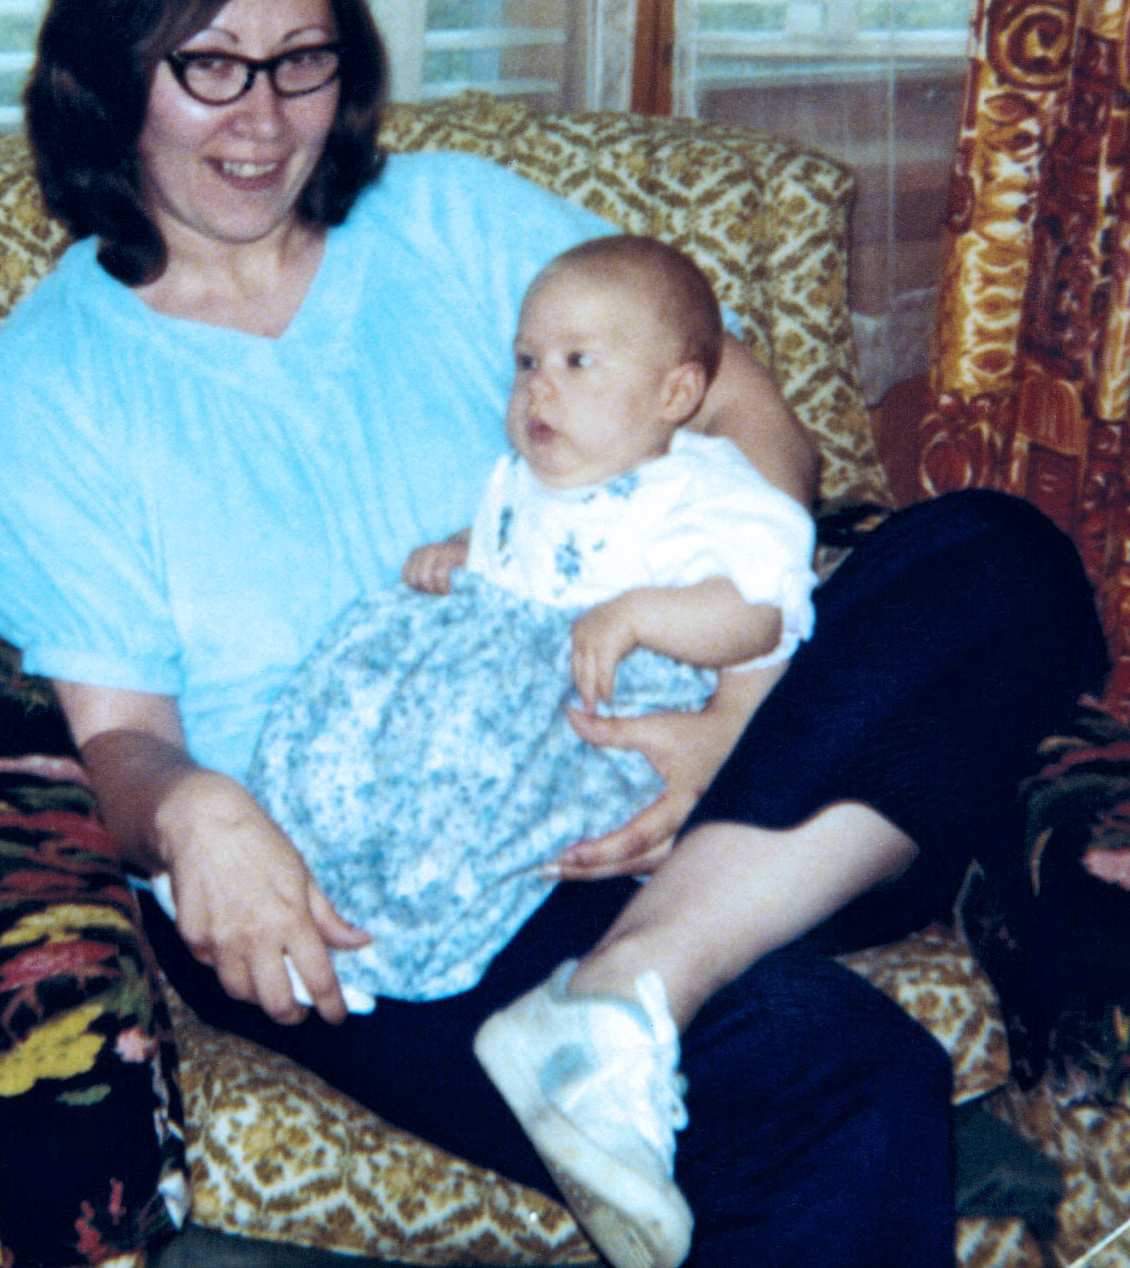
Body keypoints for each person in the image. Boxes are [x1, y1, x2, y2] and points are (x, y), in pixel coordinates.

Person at [0, 0, 1107, 1268]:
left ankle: (630, 982)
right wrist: (198, 819)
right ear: (110, 74)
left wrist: (725, 724)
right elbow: (121, 736)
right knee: (843, 1076)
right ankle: (629, 994)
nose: (262, 120)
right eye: (210, 66)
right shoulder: (53, 380)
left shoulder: (446, 221)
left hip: (653, 768)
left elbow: (751, 424)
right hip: (381, 883)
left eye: (302, 60)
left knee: (998, 557)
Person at [245, 234, 818, 1015]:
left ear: (675, 395)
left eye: (576, 363)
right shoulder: (517, 478)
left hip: (585, 708)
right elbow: (520, 548)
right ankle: (316, 886)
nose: (538, 389)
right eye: (526, 363)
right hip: (478, 679)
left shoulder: (698, 493)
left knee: (474, 807)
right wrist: (460, 552)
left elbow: (762, 609)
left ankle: (404, 933)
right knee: (354, 735)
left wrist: (639, 614)